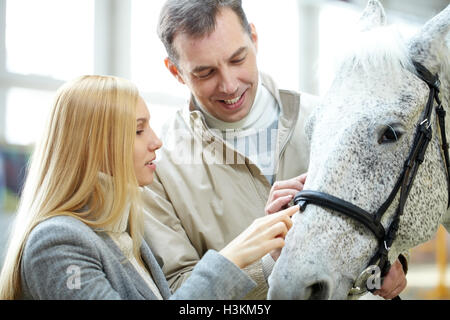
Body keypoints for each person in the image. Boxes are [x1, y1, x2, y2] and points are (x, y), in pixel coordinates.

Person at [142, 0, 408, 300]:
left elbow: (387, 206)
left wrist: (389, 258)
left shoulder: (325, 120)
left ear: (253, 39)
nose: (229, 85)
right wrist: (271, 262)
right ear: (175, 71)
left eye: (237, 59)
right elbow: (179, 292)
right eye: (205, 73)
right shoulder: (155, 168)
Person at [0, 75, 298, 300]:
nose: (156, 141)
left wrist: (267, 259)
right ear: (94, 146)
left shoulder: (122, 235)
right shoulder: (56, 243)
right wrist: (231, 258)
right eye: (139, 130)